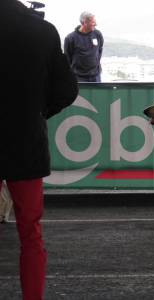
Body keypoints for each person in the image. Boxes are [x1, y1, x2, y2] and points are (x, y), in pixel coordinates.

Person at [0, 1, 78, 299]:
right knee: (30, 234)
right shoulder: (42, 31)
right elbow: (67, 90)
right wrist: (39, 111)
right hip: (26, 142)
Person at [64, 11, 104, 82]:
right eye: (93, 22)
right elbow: (67, 58)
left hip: (95, 76)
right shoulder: (70, 38)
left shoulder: (97, 34)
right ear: (84, 23)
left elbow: (99, 50)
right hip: (78, 77)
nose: (96, 24)